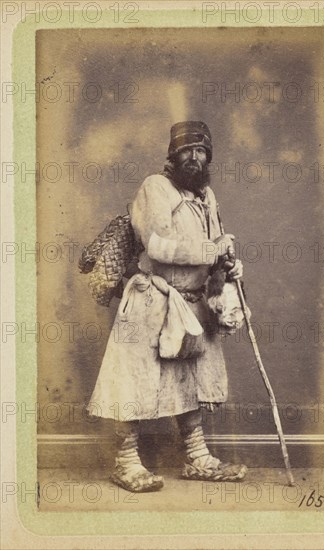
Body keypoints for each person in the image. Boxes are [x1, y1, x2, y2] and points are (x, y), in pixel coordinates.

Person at [86, 121, 248, 492]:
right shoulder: (154, 188)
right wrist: (212, 249)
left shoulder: (206, 197)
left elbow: (214, 249)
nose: (193, 157)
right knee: (132, 381)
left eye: (200, 150)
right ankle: (126, 462)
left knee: (186, 380)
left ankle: (196, 456)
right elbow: (157, 245)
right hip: (149, 300)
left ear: (208, 156)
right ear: (173, 156)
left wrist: (228, 264)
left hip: (190, 305)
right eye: (186, 151)